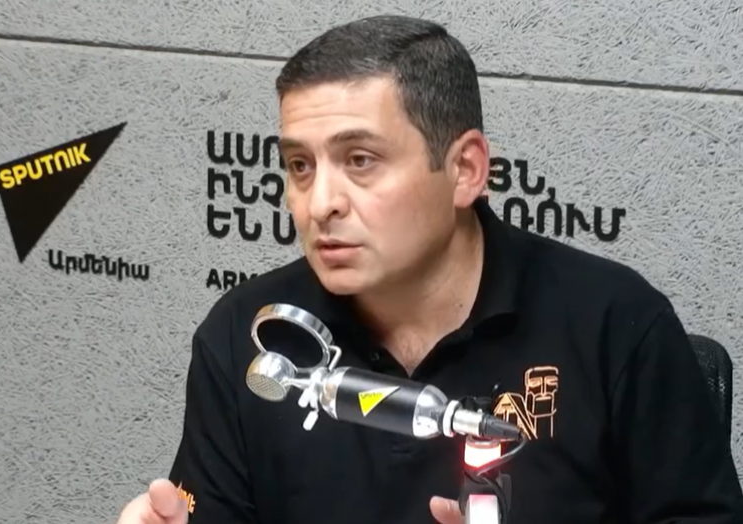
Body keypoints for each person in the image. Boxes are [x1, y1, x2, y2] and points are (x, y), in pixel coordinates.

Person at [116, 14, 743, 524]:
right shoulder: (249, 336)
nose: (320, 202)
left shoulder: (615, 324)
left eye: (360, 160)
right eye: (300, 166)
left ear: (466, 170)